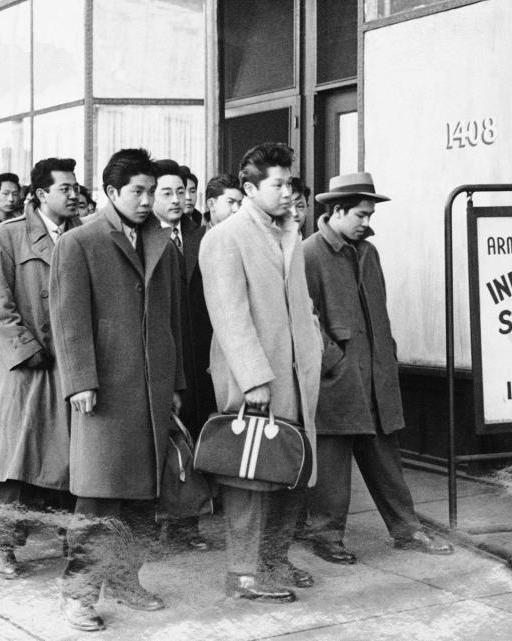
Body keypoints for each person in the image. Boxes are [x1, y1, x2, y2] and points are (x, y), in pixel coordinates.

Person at [49, 148, 184, 631]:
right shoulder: (80, 242)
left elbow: (172, 320)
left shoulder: (161, 243)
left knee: (144, 496)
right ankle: (79, 595)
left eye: (152, 191)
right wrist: (80, 381)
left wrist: (176, 383)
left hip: (152, 389)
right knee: (100, 497)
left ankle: (127, 580)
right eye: (138, 192)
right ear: (111, 193)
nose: (148, 201)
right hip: (104, 390)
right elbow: (68, 320)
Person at [301, 172, 454, 563]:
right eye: (361, 214)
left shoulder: (369, 253)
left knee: (386, 459)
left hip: (376, 375)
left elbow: (379, 313)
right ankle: (326, 536)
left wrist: (387, 355)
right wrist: (332, 361)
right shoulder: (309, 254)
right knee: (332, 465)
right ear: (336, 211)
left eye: (370, 214)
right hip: (337, 378)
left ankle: (408, 529)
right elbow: (305, 319)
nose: (368, 222)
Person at [199, 142, 323, 603]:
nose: (288, 191)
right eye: (278, 183)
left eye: (290, 182)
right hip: (258, 378)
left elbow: (301, 305)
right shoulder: (226, 237)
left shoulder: (286, 233)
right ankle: (243, 574)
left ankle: (272, 562)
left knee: (289, 469)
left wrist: (315, 345)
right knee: (249, 475)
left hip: (295, 373)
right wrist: (254, 380)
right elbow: (229, 315)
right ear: (249, 188)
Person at [0, 157, 81, 579]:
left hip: (70, 365)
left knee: (69, 459)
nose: (74, 194)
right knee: (15, 462)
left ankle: (69, 539)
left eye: (76, 188)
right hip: (24, 368)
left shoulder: (83, 234)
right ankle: (5, 545)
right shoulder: (8, 236)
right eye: (65, 188)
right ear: (41, 195)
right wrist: (27, 349)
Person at [150, 159, 214, 550]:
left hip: (201, 355)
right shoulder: (143, 240)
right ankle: (154, 525)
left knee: (194, 437)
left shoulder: (202, 236)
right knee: (161, 441)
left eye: (183, 192)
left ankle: (187, 524)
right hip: (162, 356)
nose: (179, 200)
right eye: (168, 193)